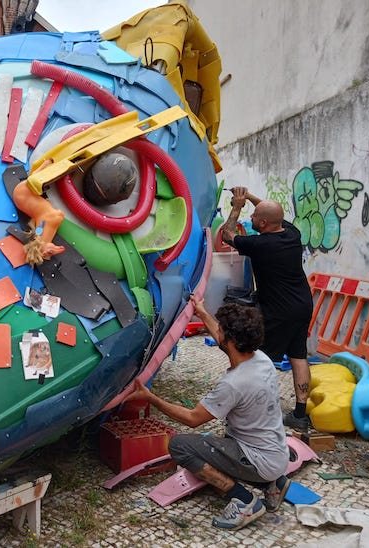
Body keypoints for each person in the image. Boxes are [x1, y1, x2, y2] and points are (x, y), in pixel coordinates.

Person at [125, 298, 290, 531]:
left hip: (258, 460)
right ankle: (274, 484)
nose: (216, 331)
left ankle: (243, 500)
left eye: (220, 330)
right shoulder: (260, 358)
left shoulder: (234, 384)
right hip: (277, 454)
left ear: (230, 341)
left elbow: (193, 419)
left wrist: (150, 397)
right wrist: (201, 312)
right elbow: (224, 338)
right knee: (227, 439)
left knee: (180, 446)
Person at [221, 186, 313, 431]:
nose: (250, 219)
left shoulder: (261, 245)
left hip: (278, 310)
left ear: (262, 223)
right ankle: (301, 415)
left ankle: (258, 411)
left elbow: (227, 235)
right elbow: (275, 216)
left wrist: (238, 205)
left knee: (259, 358)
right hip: (303, 304)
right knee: (298, 356)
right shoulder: (291, 235)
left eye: (254, 218)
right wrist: (251, 196)